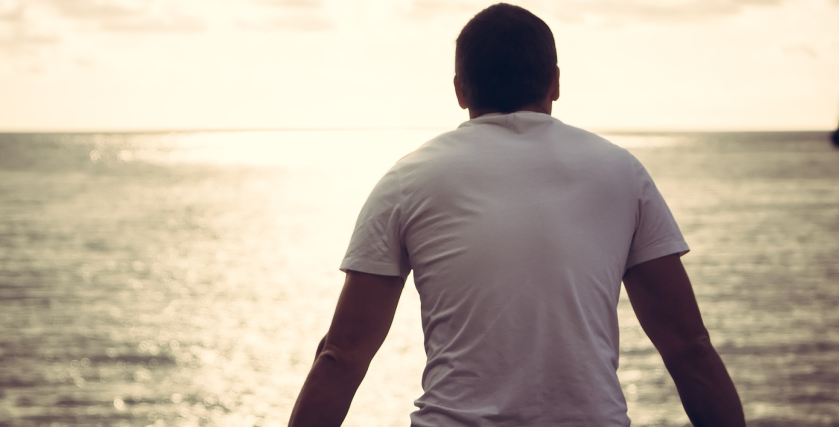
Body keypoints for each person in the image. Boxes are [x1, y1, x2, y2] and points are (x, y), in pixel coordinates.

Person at [288, 3, 744, 426]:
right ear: (555, 83)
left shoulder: (407, 179)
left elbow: (341, 355)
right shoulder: (621, 173)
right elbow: (688, 348)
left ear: (460, 90)